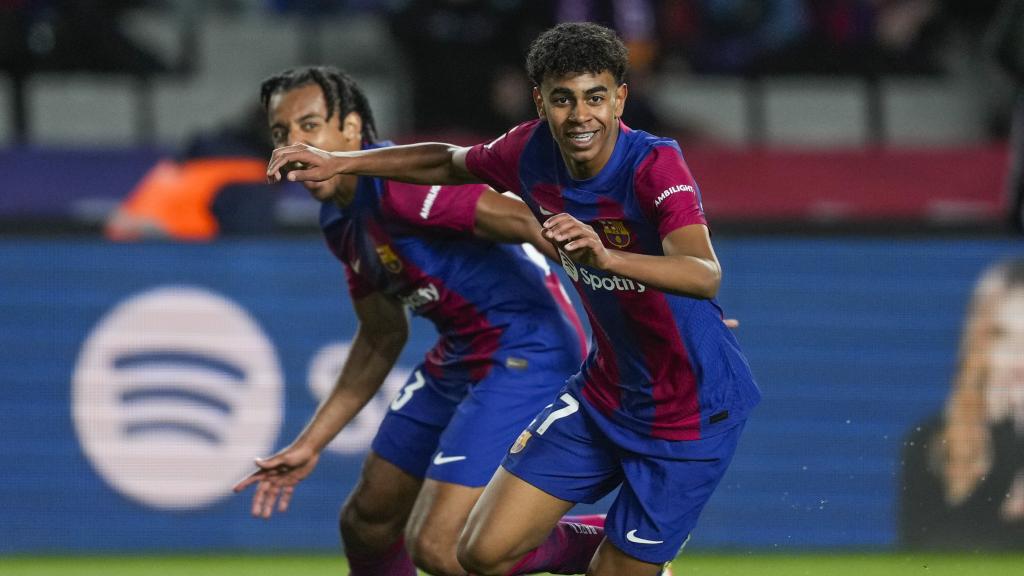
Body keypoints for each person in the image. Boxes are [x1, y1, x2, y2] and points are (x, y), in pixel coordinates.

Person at [265, 23, 761, 576]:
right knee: (476, 551)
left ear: (621, 97)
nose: (580, 116)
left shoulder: (656, 165)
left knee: (479, 553)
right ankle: (614, 543)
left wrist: (617, 266)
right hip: (605, 392)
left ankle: (629, 551)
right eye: (563, 99)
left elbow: (702, 272)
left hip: (689, 410)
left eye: (596, 97)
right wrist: (342, 163)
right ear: (540, 101)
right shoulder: (526, 152)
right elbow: (448, 162)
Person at [232, 66, 608, 576]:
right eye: (281, 133)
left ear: (350, 129)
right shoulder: (339, 221)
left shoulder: (397, 185)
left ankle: (604, 547)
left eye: (309, 125)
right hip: (463, 353)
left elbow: (524, 219)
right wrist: (309, 444)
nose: (293, 143)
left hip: (526, 347)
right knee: (367, 521)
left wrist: (637, 313)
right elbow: (381, 335)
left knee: (440, 547)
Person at [899, 259, 1024, 550]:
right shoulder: (932, 441)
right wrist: (1003, 435)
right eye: (1002, 336)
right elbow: (922, 555)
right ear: (978, 343)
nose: (1018, 357)